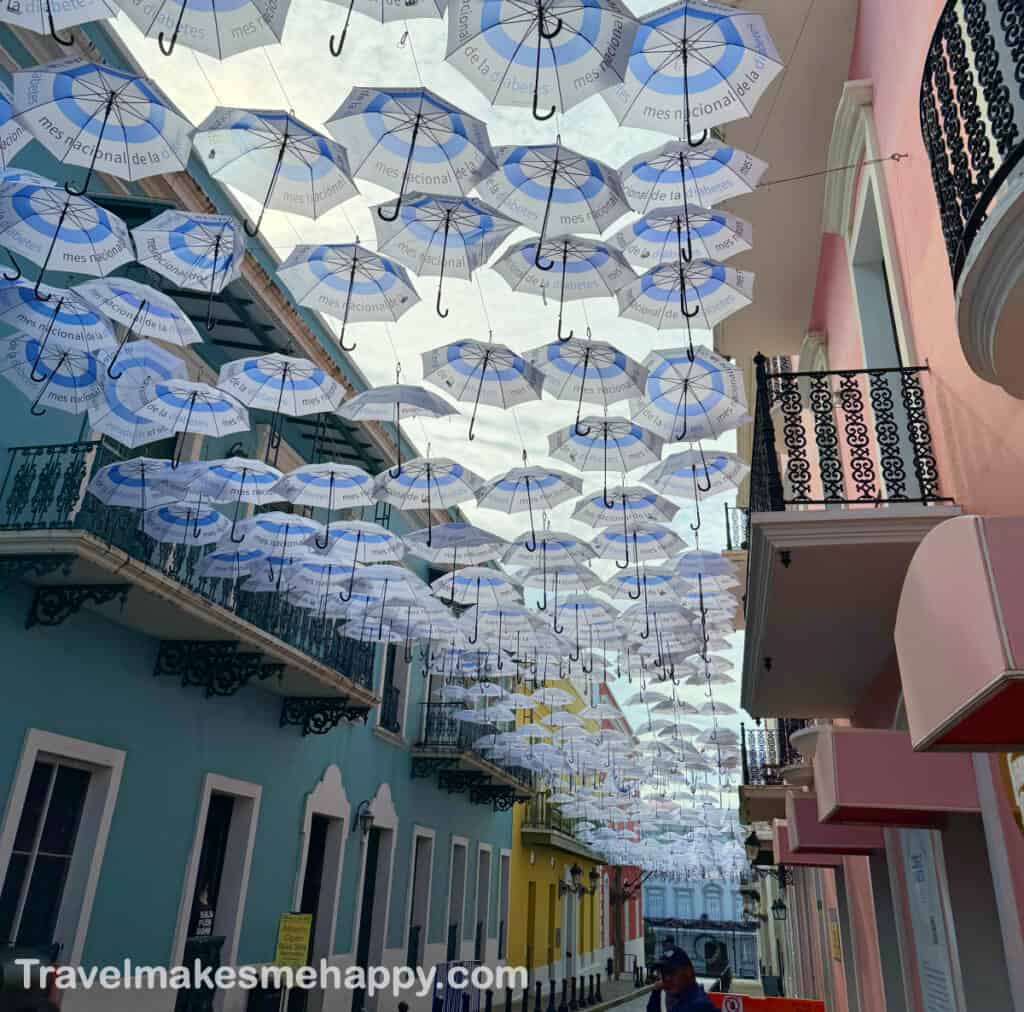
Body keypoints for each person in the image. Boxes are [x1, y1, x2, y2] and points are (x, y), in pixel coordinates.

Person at [645, 946, 717, 1012]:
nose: (667, 978)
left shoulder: (698, 1006)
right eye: (664, 973)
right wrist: (656, 992)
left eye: (672, 972)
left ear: (687, 973)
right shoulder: (683, 1000)